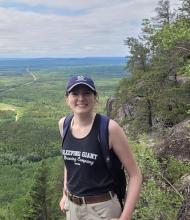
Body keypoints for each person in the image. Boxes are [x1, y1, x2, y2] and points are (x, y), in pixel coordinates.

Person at [59, 75, 142, 220]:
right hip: (72, 208)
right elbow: (70, 163)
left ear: (95, 97)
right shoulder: (64, 124)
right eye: (75, 93)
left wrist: (125, 217)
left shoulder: (109, 128)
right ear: (67, 98)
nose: (81, 98)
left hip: (103, 209)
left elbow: (135, 175)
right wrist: (65, 193)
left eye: (87, 93)